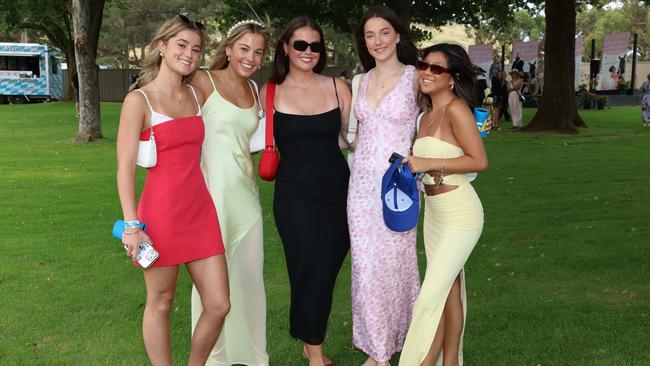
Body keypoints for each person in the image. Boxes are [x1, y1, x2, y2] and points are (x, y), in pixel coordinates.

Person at [116, 15, 230, 365]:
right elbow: (123, 168)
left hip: (199, 211)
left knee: (218, 304)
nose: (189, 54)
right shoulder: (139, 101)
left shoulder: (197, 94)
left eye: (196, 49)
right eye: (182, 45)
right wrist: (132, 226)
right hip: (161, 215)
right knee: (161, 302)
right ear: (161, 46)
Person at [259, 15, 352, 366]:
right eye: (300, 44)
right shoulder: (271, 92)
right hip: (294, 196)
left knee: (325, 268)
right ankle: (315, 352)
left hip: (338, 192)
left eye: (315, 46)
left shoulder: (337, 87)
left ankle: (306, 335)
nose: (308, 51)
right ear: (286, 47)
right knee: (307, 266)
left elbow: (350, 138)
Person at [399, 43, 487, 366]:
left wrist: (426, 161)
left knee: (430, 299)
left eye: (437, 68)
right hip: (434, 215)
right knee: (449, 291)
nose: (427, 72)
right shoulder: (425, 117)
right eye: (424, 65)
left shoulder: (456, 110)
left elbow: (479, 161)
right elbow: (428, 164)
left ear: (452, 78)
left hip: (460, 215)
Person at [189, 20, 270, 365]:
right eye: (244, 48)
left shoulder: (255, 90)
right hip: (210, 197)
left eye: (258, 51)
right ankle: (214, 359)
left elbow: (247, 143)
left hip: (246, 196)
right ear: (228, 48)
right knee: (209, 288)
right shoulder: (202, 80)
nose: (251, 57)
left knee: (250, 280)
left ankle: (254, 357)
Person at [348, 6, 421, 365]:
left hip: (398, 186)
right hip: (360, 186)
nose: (377, 41)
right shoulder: (358, 81)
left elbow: (432, 124)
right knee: (365, 269)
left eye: (384, 32)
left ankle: (405, 340)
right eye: (370, 35)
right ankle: (378, 352)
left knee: (396, 267)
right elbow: (356, 136)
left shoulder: (416, 77)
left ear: (397, 35)